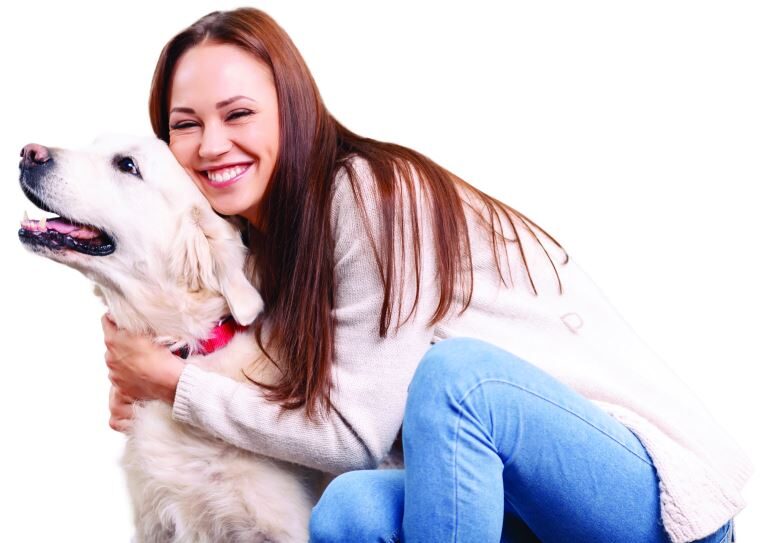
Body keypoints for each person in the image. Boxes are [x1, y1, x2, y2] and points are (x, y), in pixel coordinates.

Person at [101, 7, 750, 543]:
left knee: (458, 378)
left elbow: (353, 433)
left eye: (237, 114)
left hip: (641, 494)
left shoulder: (369, 196)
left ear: (291, 112)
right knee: (348, 510)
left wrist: (174, 381)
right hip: (505, 500)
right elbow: (279, 403)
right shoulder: (263, 250)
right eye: (185, 125)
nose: (211, 145)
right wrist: (163, 380)